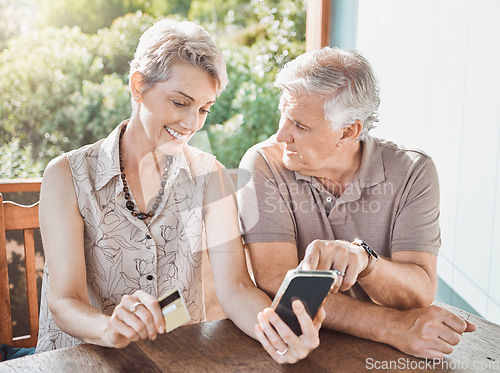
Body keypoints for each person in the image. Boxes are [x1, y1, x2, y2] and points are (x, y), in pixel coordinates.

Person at [35, 19, 329, 364]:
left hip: (171, 359)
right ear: (138, 86)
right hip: (77, 360)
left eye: (204, 109)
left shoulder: (211, 175)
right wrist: (107, 328)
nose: (192, 124)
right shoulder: (66, 175)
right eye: (179, 103)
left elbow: (235, 290)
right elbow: (64, 300)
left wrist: (278, 332)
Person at [237, 47, 476, 359]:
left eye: (300, 125)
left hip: (391, 357)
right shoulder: (264, 164)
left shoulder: (412, 171)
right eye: (283, 113)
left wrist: (365, 262)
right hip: (302, 349)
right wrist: (390, 327)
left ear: (348, 131)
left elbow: (419, 293)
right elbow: (275, 282)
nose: (281, 134)